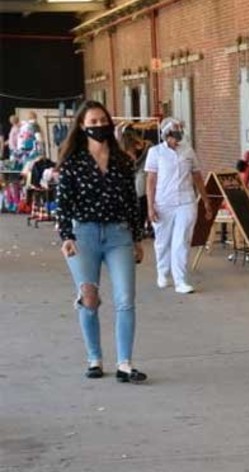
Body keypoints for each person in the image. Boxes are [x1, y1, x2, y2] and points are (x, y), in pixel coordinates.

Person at [55, 100, 148, 383]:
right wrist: (66, 236)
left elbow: (132, 202)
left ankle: (125, 363)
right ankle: (94, 358)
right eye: (92, 122)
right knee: (89, 298)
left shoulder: (122, 161)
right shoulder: (73, 162)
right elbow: (63, 203)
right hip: (83, 235)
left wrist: (137, 238)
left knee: (125, 299)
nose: (98, 126)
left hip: (118, 234)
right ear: (82, 127)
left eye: (101, 121)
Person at [145, 117, 204, 293]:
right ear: (166, 134)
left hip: (186, 201)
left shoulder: (188, 151)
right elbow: (151, 180)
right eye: (175, 131)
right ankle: (163, 272)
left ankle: (181, 280)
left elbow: (197, 177)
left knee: (181, 241)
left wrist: (206, 199)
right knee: (163, 241)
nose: (178, 134)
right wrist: (150, 206)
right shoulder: (155, 152)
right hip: (163, 202)